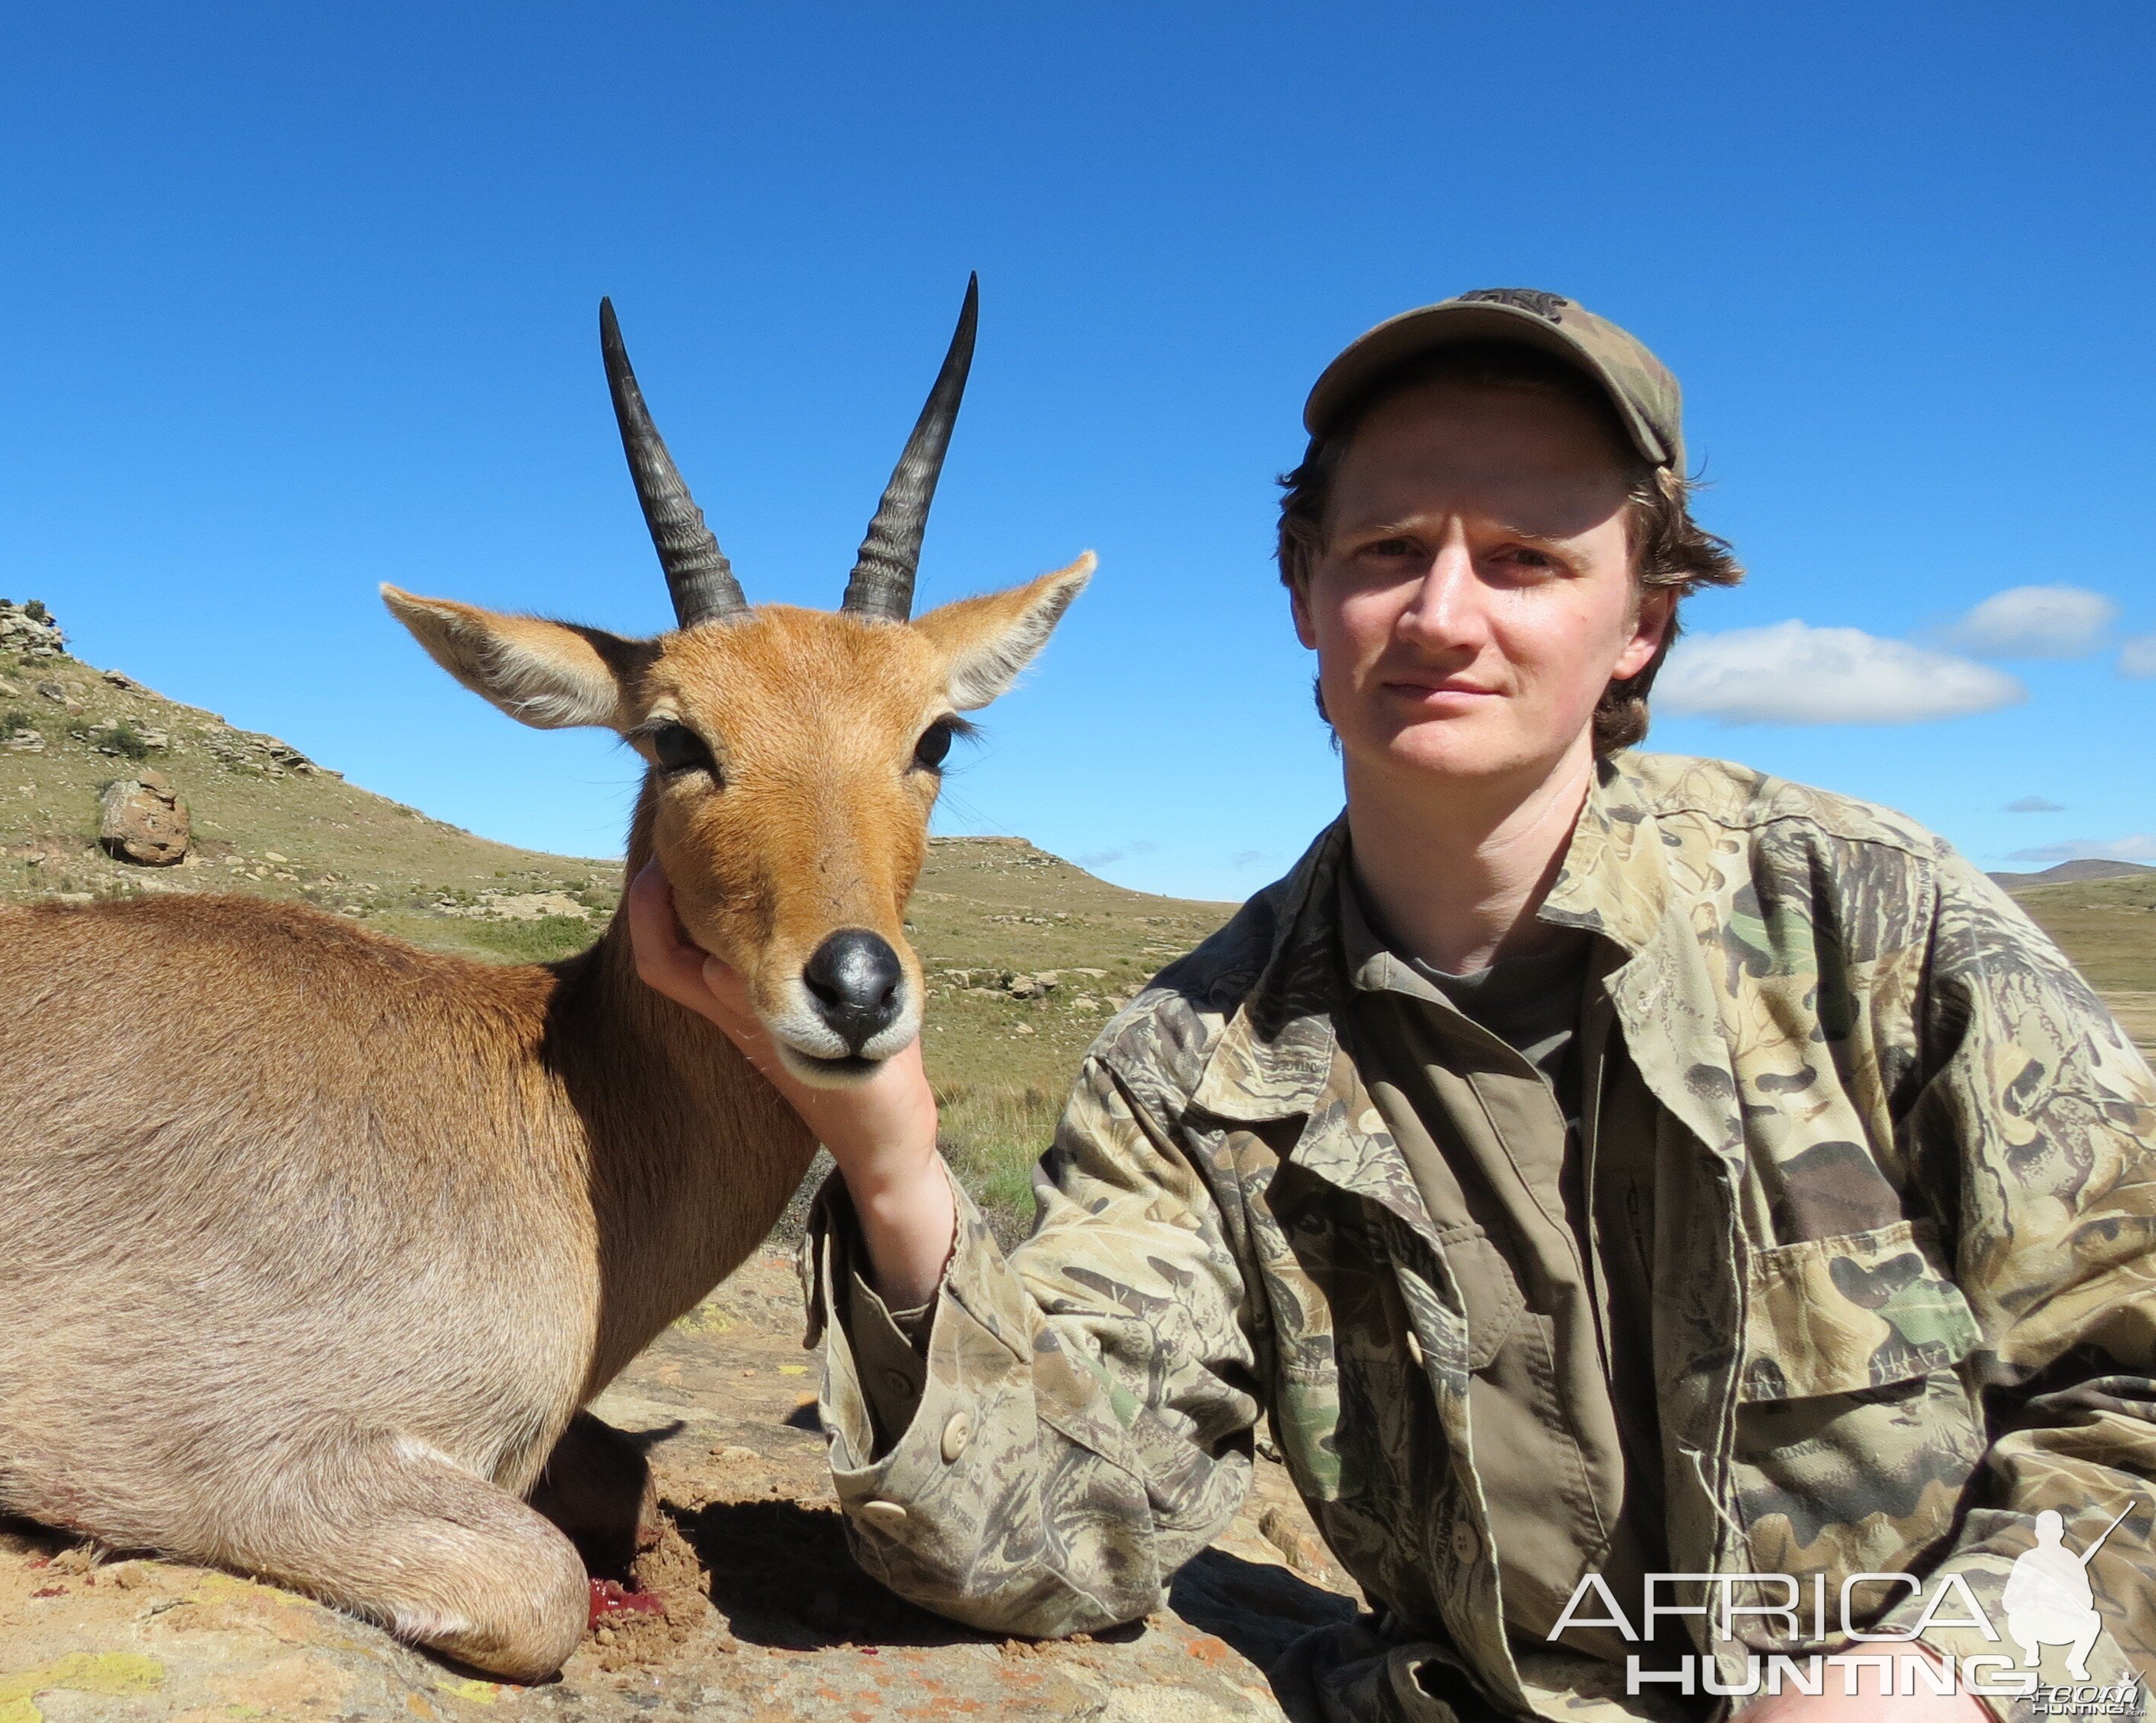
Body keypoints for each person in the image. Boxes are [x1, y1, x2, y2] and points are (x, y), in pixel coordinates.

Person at [627, 288, 2156, 1723]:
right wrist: (889, 1162)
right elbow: (1057, 1534)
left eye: (1524, 558)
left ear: (1640, 617)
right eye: (1384, 551)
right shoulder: (1188, 1066)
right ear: (1301, 589)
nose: (1440, 610)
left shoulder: (1873, 923)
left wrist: (1958, 1673)